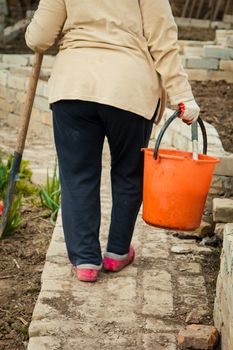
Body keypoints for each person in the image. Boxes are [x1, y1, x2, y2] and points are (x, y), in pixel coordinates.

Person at [25, 0, 200, 282]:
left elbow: (39, 38)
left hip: (74, 87)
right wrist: (183, 95)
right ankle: (117, 252)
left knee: (78, 174)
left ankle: (85, 261)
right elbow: (162, 38)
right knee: (128, 172)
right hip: (129, 89)